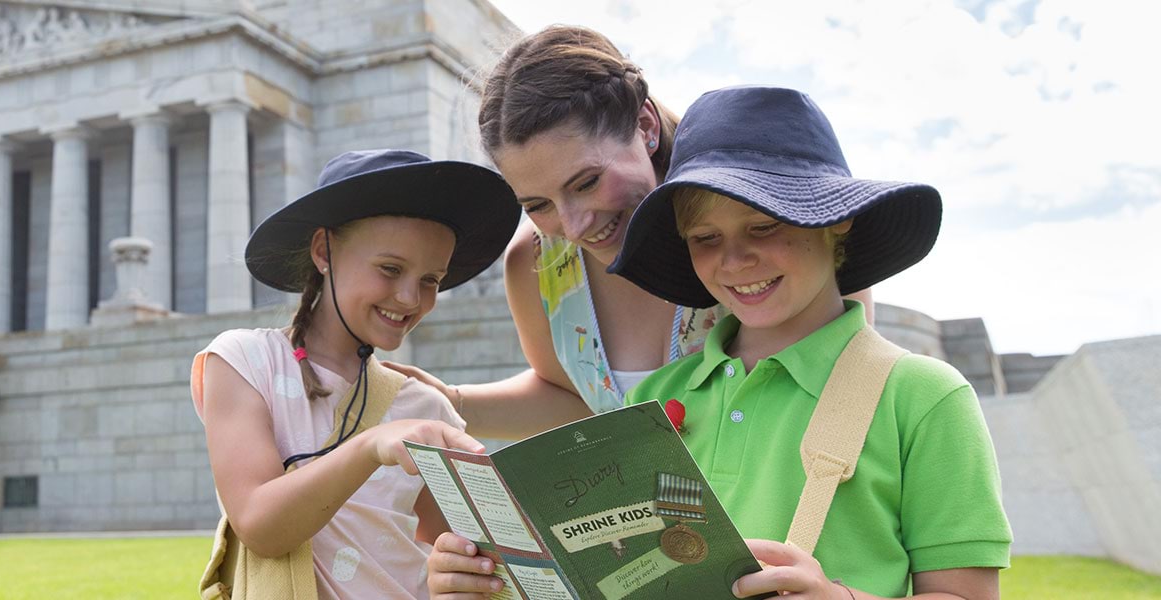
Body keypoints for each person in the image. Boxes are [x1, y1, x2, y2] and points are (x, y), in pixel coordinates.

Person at [429, 86, 1011, 599]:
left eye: (765, 226)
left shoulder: (923, 396)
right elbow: (622, 574)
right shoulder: (656, 398)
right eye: (705, 238)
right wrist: (489, 579)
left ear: (837, 222)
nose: (734, 259)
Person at [386, 24, 873, 440]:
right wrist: (447, 401)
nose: (573, 226)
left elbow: (852, 383)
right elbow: (577, 401)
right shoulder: (536, 265)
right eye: (536, 204)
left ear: (644, 126)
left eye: (587, 182)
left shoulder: (772, 224)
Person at [190, 149, 522, 598]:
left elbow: (461, 552)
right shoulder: (244, 362)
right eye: (390, 269)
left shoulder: (425, 408)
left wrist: (462, 575)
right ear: (324, 251)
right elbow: (259, 525)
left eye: (431, 280)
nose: (409, 297)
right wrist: (372, 445)